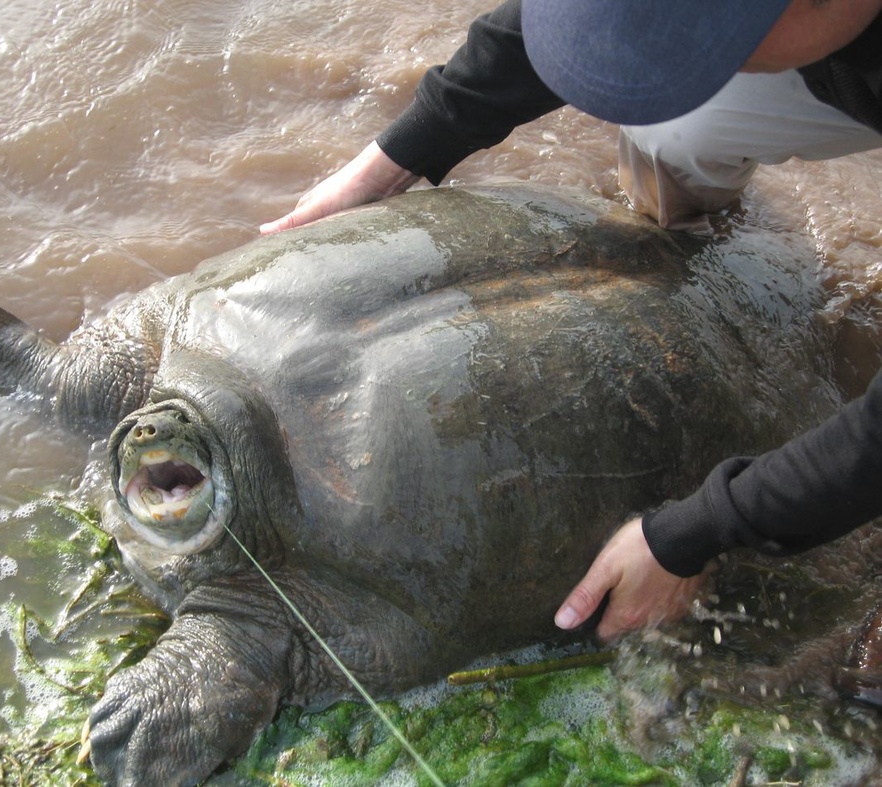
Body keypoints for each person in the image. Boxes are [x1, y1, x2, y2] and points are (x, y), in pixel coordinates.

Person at [260, 0, 882, 646]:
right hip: (831, 49)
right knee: (671, 126)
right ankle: (693, 246)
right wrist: (384, 166)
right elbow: (578, 26)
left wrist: (692, 533)